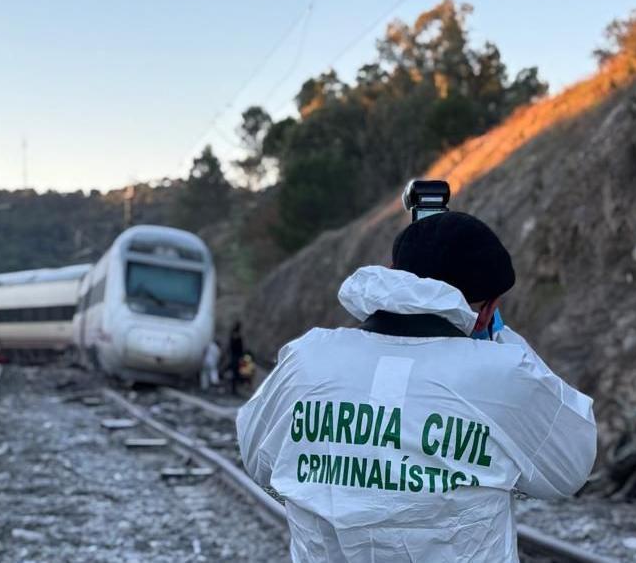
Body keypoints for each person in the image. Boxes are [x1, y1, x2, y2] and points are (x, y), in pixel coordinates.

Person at [236, 212, 597, 562]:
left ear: (392, 274)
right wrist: (501, 338)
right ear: (487, 311)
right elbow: (569, 468)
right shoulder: (503, 373)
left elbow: (258, 460)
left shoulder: (306, 358)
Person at [228, 321, 245, 394]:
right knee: (235, 374)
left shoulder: (232, 335)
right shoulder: (237, 337)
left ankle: (233, 389)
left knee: (234, 373)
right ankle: (233, 389)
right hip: (236, 356)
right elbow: (240, 348)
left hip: (233, 356)